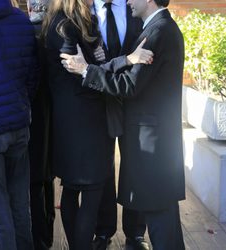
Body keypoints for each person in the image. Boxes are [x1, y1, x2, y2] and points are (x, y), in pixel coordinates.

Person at [60, 0, 186, 248]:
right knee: (165, 220)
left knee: (160, 217)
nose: (128, 0)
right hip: (154, 137)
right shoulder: (158, 27)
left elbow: (129, 85)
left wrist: (86, 70)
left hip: (152, 141)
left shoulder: (158, 31)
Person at [41, 0, 115, 248]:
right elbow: (79, 73)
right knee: (91, 192)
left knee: (72, 189)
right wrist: (97, 64)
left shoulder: (57, 22)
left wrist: (97, 61)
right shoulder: (67, 27)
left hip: (66, 119)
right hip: (86, 119)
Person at [91, 0, 149, 249]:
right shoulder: (84, 10)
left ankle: (135, 233)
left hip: (133, 101)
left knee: (136, 164)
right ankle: (103, 231)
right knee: (102, 166)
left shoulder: (135, 9)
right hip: (96, 102)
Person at [0, 0, 38, 249]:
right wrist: (21, 105)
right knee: (21, 205)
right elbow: (33, 74)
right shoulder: (22, 21)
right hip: (19, 126)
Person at [26, 1, 55, 249]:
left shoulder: (27, 34)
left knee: (35, 182)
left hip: (32, 116)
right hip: (51, 115)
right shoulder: (55, 33)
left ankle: (40, 238)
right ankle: (47, 233)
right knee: (46, 178)